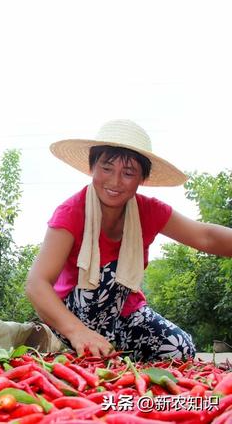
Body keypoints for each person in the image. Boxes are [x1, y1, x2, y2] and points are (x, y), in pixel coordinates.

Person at [25, 119, 232, 361]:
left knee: (181, 349)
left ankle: (114, 354)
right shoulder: (71, 212)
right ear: (93, 167)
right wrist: (77, 331)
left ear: (142, 179)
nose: (114, 181)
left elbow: (205, 236)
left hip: (125, 316)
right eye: (106, 168)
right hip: (73, 318)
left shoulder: (148, 211)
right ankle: (83, 349)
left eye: (128, 173)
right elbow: (37, 283)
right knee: (106, 274)